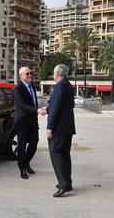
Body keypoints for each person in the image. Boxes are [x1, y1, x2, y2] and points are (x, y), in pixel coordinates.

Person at [40, 64, 76, 197]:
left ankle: (63, 185)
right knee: (65, 155)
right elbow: (61, 106)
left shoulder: (59, 86)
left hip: (59, 128)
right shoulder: (67, 85)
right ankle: (67, 182)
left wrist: (50, 127)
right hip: (67, 127)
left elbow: (56, 108)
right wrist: (48, 110)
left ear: (56, 74)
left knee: (56, 155)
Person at [13, 67, 41, 179]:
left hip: (33, 121)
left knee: (34, 143)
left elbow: (34, 102)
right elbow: (22, 105)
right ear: (21, 76)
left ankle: (26, 162)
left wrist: (37, 110)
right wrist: (37, 110)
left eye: (31, 73)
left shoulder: (32, 86)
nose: (30, 75)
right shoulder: (18, 88)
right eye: (27, 74)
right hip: (22, 122)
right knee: (22, 146)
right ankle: (22, 168)